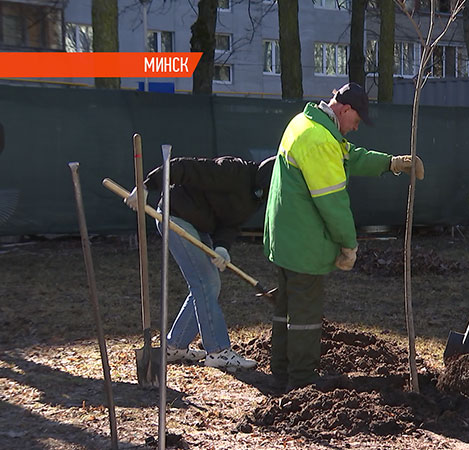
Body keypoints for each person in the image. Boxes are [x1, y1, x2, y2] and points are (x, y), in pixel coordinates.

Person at [264, 82, 424, 391]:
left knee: (285, 309)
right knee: (305, 314)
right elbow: (333, 203)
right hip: (304, 243)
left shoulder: (306, 123)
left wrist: (390, 163)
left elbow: (349, 157)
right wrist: (349, 245)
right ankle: (301, 380)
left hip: (283, 237)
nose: (356, 127)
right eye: (357, 120)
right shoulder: (319, 139)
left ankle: (280, 371)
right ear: (345, 109)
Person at [125, 155, 275, 371]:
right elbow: (183, 167)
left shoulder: (256, 198)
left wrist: (222, 246)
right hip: (176, 215)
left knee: (210, 284)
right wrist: (147, 186)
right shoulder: (233, 171)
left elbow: (231, 223)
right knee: (204, 282)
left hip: (200, 226)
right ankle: (217, 351)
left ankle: (174, 346)